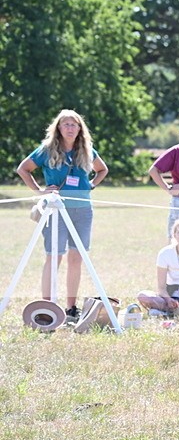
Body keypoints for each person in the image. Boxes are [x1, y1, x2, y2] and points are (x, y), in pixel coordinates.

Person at [16, 109, 108, 322]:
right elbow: (24, 169)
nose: (69, 128)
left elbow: (102, 170)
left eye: (73, 124)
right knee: (54, 256)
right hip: (56, 208)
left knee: (76, 258)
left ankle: (71, 308)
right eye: (65, 124)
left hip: (83, 210)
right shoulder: (47, 150)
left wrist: (91, 184)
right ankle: (47, 307)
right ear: (58, 127)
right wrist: (40, 191)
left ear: (79, 129)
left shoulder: (86, 150)